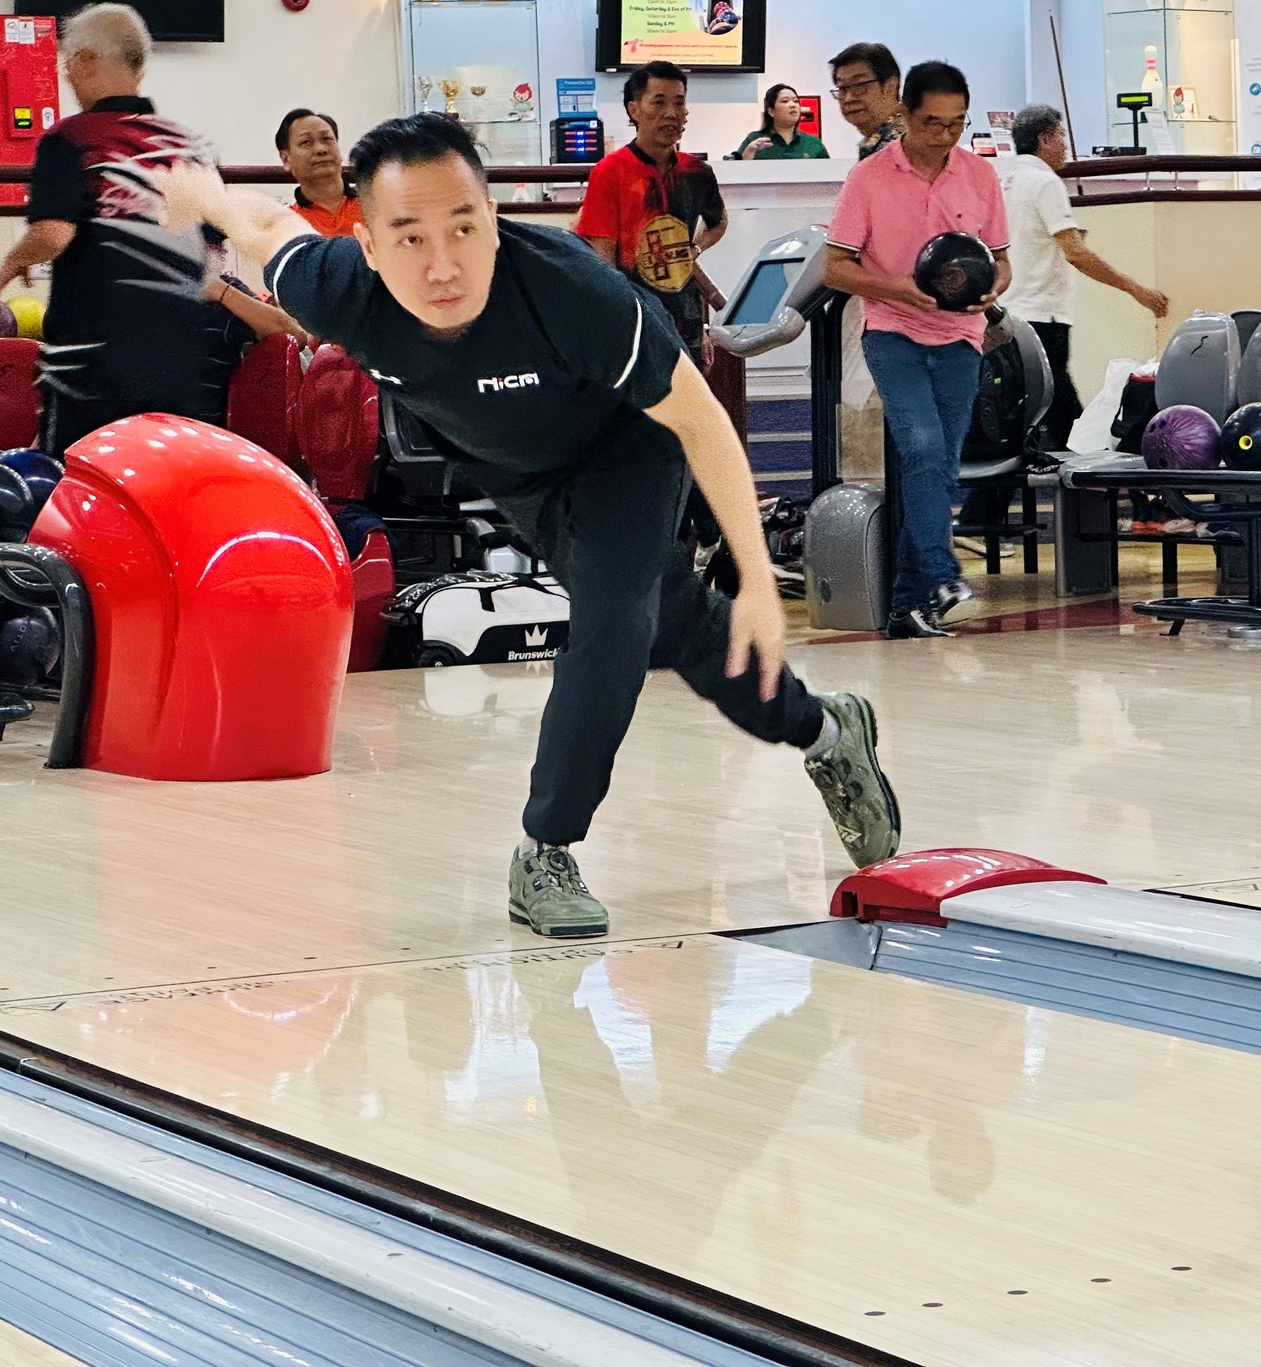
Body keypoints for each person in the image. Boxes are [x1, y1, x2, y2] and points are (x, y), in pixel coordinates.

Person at [153, 115, 899, 938]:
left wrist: (759, 581)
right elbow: (266, 227)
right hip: (518, 477)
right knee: (673, 627)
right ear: (367, 244)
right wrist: (200, 194)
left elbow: (701, 421)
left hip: (629, 447)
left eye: (464, 227)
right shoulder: (342, 290)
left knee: (614, 626)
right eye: (409, 237)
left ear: (494, 220)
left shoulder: (570, 290)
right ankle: (825, 727)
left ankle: (545, 848)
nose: (443, 264)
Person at [0, 3, 229, 454]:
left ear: (84, 60)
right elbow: (210, 256)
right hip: (192, 370)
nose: (66, 75)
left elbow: (54, 234)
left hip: (95, 372)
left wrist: (10, 264)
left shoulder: (72, 139)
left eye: (67, 62)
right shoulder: (194, 146)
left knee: (82, 500)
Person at [823, 61, 1010, 639]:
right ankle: (943, 572)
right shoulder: (870, 178)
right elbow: (835, 269)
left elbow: (1000, 259)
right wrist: (897, 288)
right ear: (904, 112)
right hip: (892, 331)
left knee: (933, 466)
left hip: (961, 338)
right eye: (933, 122)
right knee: (924, 447)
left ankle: (909, 604)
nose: (945, 135)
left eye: (957, 124)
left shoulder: (980, 176)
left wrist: (996, 287)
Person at [573, 60, 743, 440]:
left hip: (686, 317)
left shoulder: (697, 172)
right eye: (659, 102)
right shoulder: (609, 172)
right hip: (636, 321)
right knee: (641, 426)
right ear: (634, 109)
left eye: (680, 103)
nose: (672, 113)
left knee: (693, 423)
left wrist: (694, 249)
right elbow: (602, 259)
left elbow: (719, 221)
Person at [999, 103, 1168, 449]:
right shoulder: (1046, 183)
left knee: (1025, 420)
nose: (1065, 144)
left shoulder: (1006, 181)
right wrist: (1136, 289)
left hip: (1008, 317)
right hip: (1042, 318)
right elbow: (1075, 252)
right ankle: (1086, 494)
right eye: (1061, 135)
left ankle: (1001, 500)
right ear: (1045, 139)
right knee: (1065, 420)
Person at [277, 107, 363, 236]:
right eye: (306, 142)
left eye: (327, 139)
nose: (320, 149)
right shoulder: (286, 224)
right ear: (286, 159)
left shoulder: (374, 205)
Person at [829, 43, 905, 160]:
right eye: (843, 88)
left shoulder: (907, 144)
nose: (849, 98)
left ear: (890, 86)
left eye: (860, 85)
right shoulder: (874, 142)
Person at [734, 84, 828, 161]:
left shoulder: (813, 143)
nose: (793, 105)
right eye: (785, 101)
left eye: (796, 101)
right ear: (771, 111)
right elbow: (737, 175)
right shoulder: (754, 140)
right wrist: (748, 153)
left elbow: (828, 176)